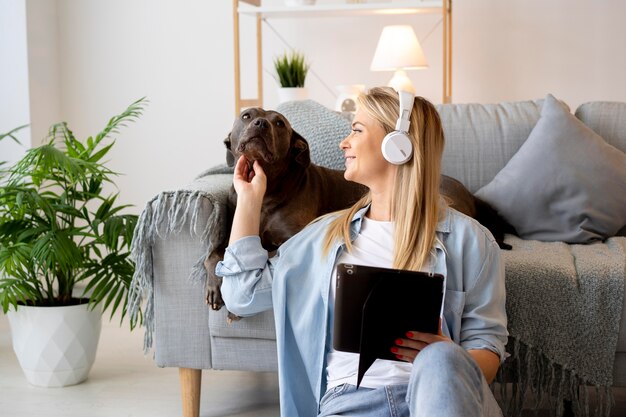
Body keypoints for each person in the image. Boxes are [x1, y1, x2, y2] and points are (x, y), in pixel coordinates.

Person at [216, 87, 508, 417]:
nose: (344, 143)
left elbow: (488, 351)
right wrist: (249, 200)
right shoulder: (322, 239)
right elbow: (241, 295)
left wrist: (448, 355)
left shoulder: (471, 241)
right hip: (350, 403)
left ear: (398, 146)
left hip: (436, 396)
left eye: (356, 130)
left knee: (441, 360)